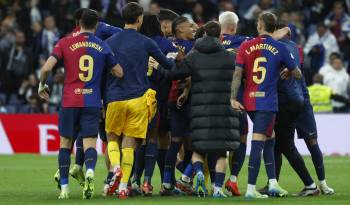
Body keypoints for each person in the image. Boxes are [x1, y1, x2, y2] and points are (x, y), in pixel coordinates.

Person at [38, 9, 123, 199]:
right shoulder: (102, 45)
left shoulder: (65, 42)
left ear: (79, 23)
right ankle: (90, 171)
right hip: (92, 101)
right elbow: (119, 72)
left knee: (65, 143)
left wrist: (42, 84)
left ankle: (65, 189)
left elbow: (46, 68)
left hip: (69, 100)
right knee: (90, 143)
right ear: (96, 25)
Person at [151, 21, 241, 198]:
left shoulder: (194, 56)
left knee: (198, 148)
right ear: (220, 36)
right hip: (223, 108)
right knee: (221, 151)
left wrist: (159, 67)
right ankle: (217, 189)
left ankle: (197, 174)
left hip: (200, 108)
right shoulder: (230, 57)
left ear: (205, 34)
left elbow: (174, 74)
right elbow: (240, 76)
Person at [104, 2, 174, 199]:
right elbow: (168, 64)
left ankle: (115, 168)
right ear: (140, 18)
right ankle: (124, 186)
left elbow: (103, 72)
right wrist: (178, 59)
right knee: (130, 143)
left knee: (112, 138)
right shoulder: (146, 42)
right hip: (138, 99)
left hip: (115, 97)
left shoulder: (109, 42)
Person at [230, 12, 302, 199]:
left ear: (260, 26)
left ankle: (273, 183)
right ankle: (251, 188)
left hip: (249, 101)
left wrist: (232, 98)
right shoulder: (280, 47)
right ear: (275, 28)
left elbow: (237, 75)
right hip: (267, 102)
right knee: (258, 143)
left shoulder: (245, 46)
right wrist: (289, 69)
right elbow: (298, 75)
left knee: (270, 138)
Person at [266, 26, 321, 197]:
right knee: (275, 143)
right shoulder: (293, 47)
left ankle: (310, 185)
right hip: (291, 100)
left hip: (286, 102)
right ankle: (272, 183)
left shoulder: (279, 47)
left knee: (286, 145)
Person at [132, 13, 177, 196]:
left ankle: (134, 179)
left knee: (138, 139)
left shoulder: (137, 42)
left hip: (137, 96)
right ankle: (163, 182)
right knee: (160, 139)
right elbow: (171, 68)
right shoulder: (166, 44)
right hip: (161, 98)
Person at [160, 16, 195, 196]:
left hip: (171, 100)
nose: (194, 28)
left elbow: (166, 71)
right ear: (181, 30)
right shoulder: (193, 47)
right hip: (189, 101)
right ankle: (186, 179)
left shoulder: (168, 45)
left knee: (175, 143)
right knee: (195, 144)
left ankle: (166, 183)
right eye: (190, 26)